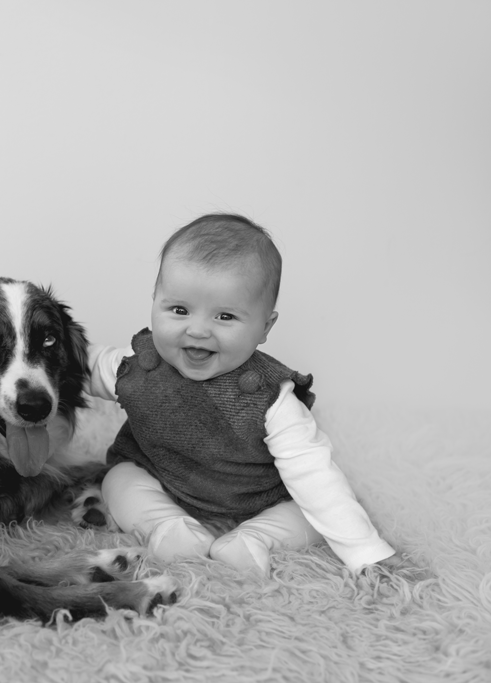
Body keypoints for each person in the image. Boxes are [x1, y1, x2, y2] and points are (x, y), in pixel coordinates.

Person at [86, 213, 400, 575]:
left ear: (265, 326)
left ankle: (252, 539)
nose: (198, 330)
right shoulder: (137, 367)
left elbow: (314, 473)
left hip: (256, 499)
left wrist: (365, 551)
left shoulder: (272, 398)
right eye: (179, 310)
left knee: (312, 510)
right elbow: (78, 367)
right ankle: (168, 527)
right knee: (119, 479)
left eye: (225, 317)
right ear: (154, 300)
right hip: (162, 480)